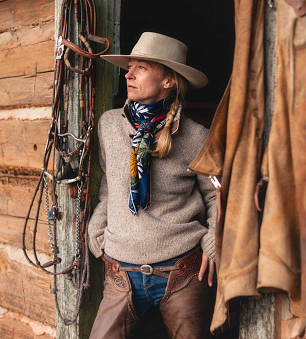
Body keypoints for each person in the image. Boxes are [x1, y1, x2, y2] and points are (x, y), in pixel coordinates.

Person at [88, 32, 217, 338]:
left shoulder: (196, 136)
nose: (128, 75)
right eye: (129, 67)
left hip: (182, 273)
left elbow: (216, 196)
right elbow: (111, 184)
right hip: (120, 272)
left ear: (168, 80)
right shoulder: (108, 124)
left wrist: (214, 243)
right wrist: (97, 229)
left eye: (142, 68)